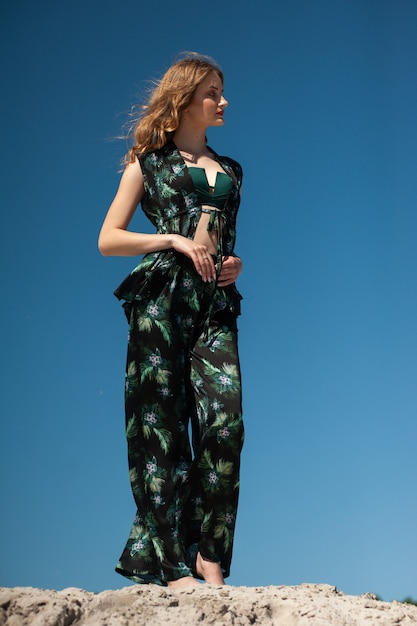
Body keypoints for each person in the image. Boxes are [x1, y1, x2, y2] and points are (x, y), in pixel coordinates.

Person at [98, 53, 244, 588]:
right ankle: (170, 560)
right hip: (160, 298)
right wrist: (172, 239)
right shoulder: (148, 161)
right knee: (160, 431)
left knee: (225, 425)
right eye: (212, 91)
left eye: (222, 91)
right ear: (184, 98)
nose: (222, 100)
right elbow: (108, 238)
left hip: (214, 305)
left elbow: (224, 237)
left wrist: (234, 261)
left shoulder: (232, 171)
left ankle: (210, 551)